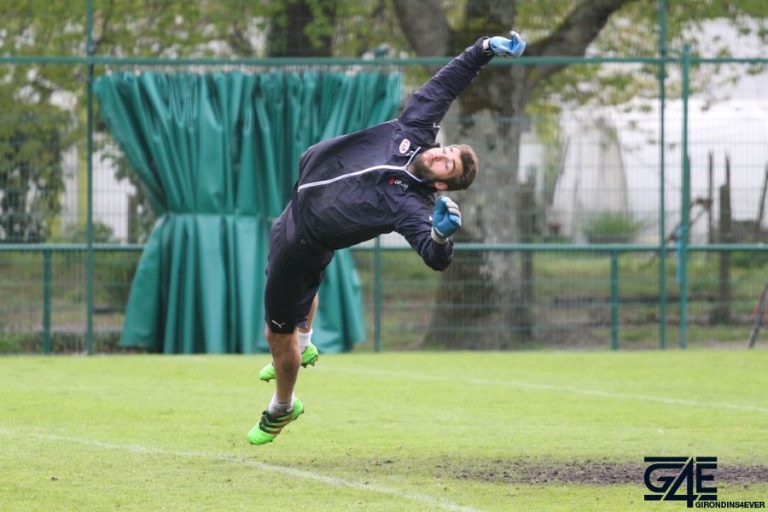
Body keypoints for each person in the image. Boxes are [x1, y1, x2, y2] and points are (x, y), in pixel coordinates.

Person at [247, 31, 526, 445]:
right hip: (295, 211)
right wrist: (483, 48)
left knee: (276, 336)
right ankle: (303, 343)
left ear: (442, 187)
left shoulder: (411, 206)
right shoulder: (414, 131)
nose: (440, 155)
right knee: (299, 302)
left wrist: (440, 235)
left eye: (447, 165)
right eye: (446, 151)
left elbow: (435, 257)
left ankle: (282, 407)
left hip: (304, 242)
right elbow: (446, 83)